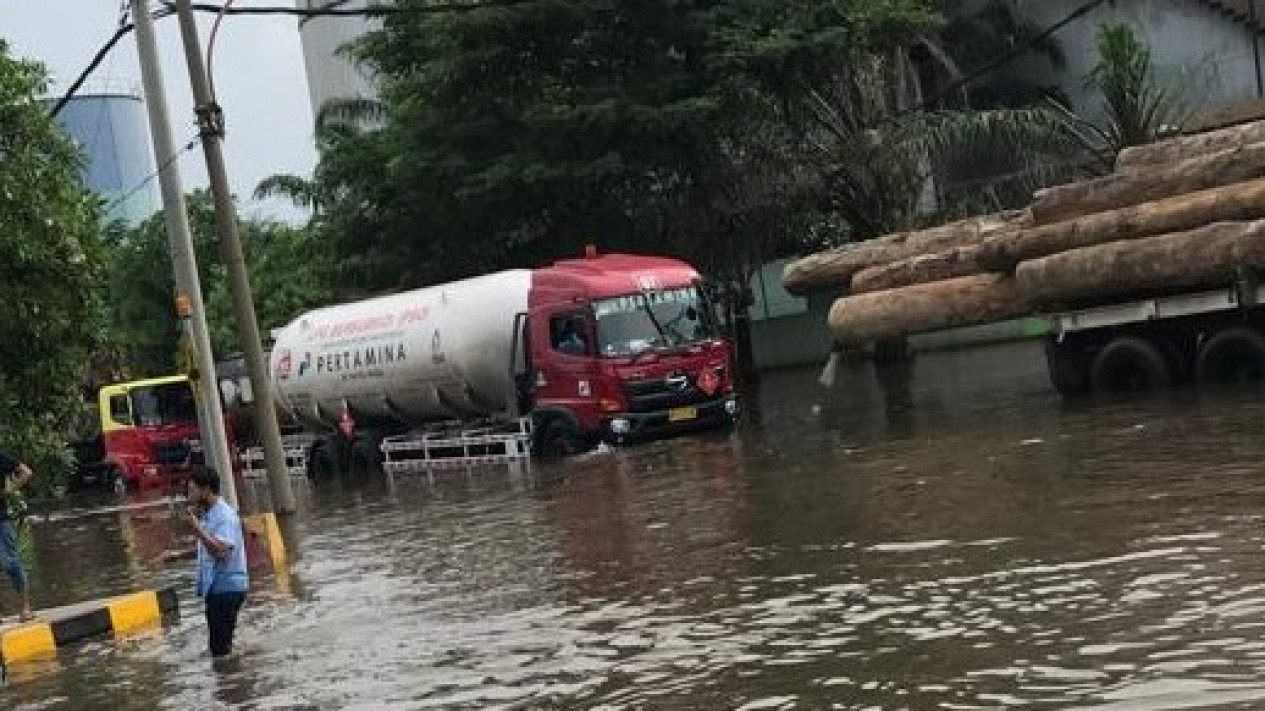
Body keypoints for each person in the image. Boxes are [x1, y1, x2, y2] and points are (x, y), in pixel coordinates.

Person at [185, 468, 249, 658]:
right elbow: (208, 548)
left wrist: (197, 530)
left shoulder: (224, 516)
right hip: (217, 589)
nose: (189, 496)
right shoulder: (210, 515)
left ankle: (231, 683)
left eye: (192, 490)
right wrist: (178, 556)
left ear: (206, 490)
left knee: (220, 650)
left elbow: (222, 552)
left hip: (226, 589)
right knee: (220, 646)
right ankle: (231, 679)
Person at [0, 451, 32, 622]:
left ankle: (25, 607)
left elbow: (26, 472)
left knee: (10, 563)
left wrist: (9, 490)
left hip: (1, 519)